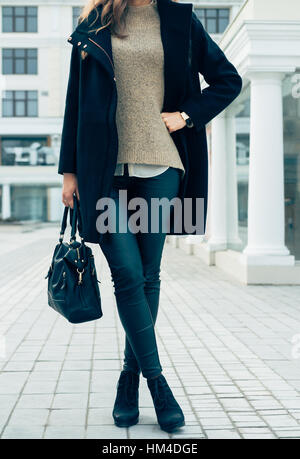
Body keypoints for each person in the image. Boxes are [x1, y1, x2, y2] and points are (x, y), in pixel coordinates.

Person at [59, 0, 242, 433]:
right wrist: (69, 171)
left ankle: (128, 379)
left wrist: (186, 116)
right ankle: (157, 383)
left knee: (148, 275)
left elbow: (227, 80)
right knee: (126, 273)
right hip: (103, 173)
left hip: (160, 168)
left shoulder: (179, 19)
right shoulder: (94, 22)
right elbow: (75, 100)